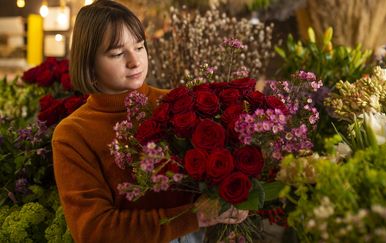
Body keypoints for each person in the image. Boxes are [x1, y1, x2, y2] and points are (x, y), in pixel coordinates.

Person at [52, 1, 248, 242]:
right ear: (89, 63)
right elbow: (94, 230)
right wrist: (194, 217)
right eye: (116, 53)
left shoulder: (179, 103)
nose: (135, 61)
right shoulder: (73, 133)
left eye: (139, 47)